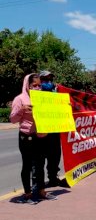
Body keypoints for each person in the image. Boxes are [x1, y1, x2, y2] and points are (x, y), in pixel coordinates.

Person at [10, 73, 56, 204]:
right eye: (34, 85)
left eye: (39, 85)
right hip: (26, 137)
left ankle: (41, 191)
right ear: (27, 85)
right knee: (27, 165)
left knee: (40, 164)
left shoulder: (44, 98)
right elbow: (13, 119)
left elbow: (51, 114)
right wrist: (22, 109)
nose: (37, 88)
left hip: (41, 136)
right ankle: (27, 194)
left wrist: (63, 108)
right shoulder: (20, 99)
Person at [39, 70, 62, 187]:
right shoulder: (37, 92)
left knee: (56, 154)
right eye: (46, 78)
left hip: (55, 128)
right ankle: (38, 183)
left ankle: (53, 177)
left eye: (50, 79)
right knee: (42, 156)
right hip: (43, 129)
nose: (48, 81)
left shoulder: (55, 92)